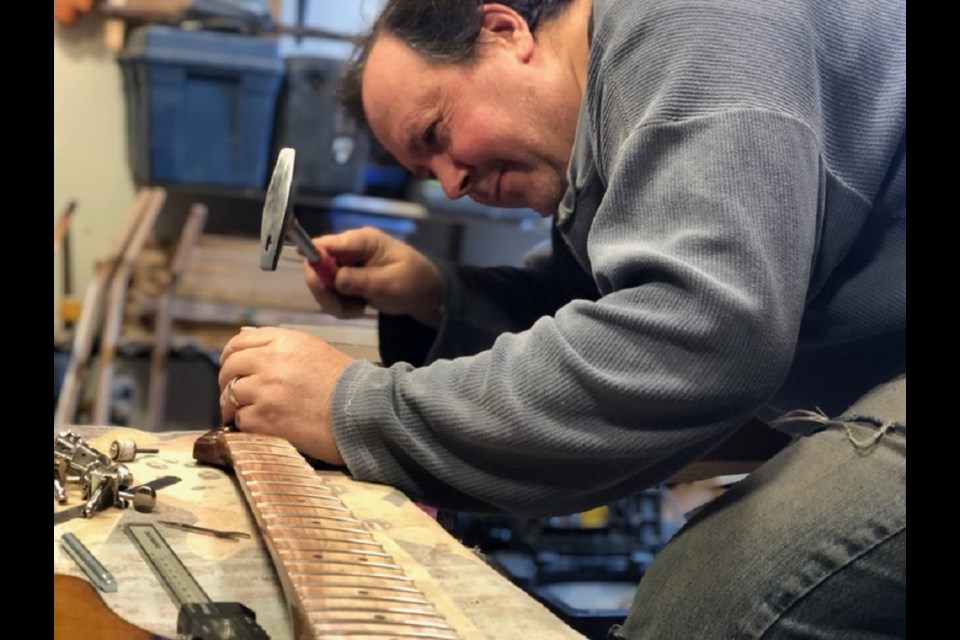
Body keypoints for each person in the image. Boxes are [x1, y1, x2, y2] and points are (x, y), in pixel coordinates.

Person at [218, 0, 906, 637]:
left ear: (503, 30)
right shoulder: (606, 141)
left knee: (710, 602)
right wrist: (433, 294)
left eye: (437, 133)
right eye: (428, 173)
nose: (453, 181)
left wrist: (352, 408)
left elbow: (697, 334)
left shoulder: (692, 24)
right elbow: (611, 317)